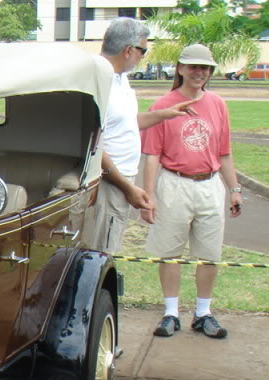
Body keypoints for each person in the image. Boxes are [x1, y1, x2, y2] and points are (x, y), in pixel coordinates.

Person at [141, 43, 242, 340]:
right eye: (193, 66)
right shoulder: (163, 105)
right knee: (170, 252)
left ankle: (203, 313)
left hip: (209, 184)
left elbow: (224, 153)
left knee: (209, 253)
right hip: (174, 182)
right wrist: (148, 197)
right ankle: (171, 312)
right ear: (181, 69)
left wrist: (234, 189)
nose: (200, 73)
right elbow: (152, 155)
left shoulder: (217, 104)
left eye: (205, 68)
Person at [82, 18, 197, 255]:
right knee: (101, 251)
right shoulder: (98, 81)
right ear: (128, 50)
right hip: (108, 183)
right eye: (142, 51)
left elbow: (126, 123)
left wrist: (165, 114)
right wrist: (127, 187)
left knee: (110, 245)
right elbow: (93, 143)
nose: (143, 56)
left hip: (121, 179)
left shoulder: (120, 79)